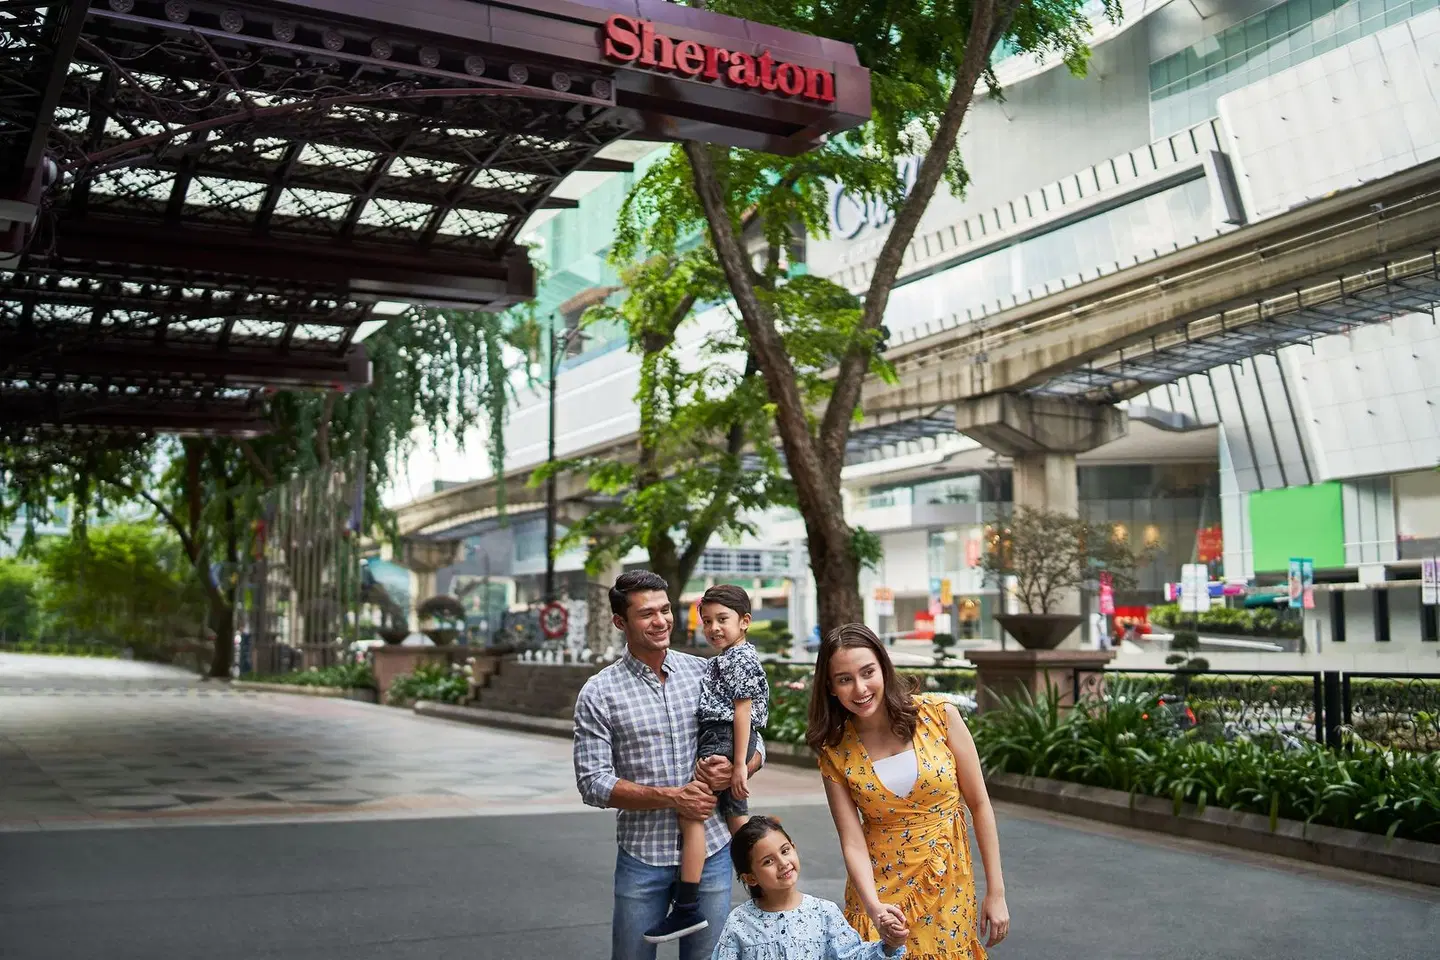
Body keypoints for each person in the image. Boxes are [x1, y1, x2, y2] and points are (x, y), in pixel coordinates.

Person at [573, 570, 766, 960]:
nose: (660, 621)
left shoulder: (705, 671)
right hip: (643, 856)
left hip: (711, 852)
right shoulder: (599, 692)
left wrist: (735, 767)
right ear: (620, 622)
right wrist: (672, 798)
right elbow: (592, 783)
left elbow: (757, 743)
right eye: (647, 614)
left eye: (665, 610)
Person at [807, 624, 1009, 957]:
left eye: (867, 672)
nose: (860, 688)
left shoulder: (940, 717)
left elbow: (980, 804)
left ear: (883, 668)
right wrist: (874, 909)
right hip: (879, 894)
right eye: (844, 679)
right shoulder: (835, 752)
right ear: (830, 687)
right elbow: (852, 840)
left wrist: (996, 892)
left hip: (947, 881)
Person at [646, 584, 770, 944]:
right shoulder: (729, 657)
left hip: (724, 737)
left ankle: (686, 905)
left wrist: (738, 766)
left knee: (692, 812)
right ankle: (767, 887)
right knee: (736, 819)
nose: (714, 628)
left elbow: (742, 712)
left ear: (745, 621)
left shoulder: (738, 659)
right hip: (727, 738)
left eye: (723, 620)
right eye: (707, 621)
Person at [711, 815, 908, 960]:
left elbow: (853, 956)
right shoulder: (739, 922)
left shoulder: (824, 912)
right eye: (768, 861)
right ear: (750, 878)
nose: (783, 863)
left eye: (785, 851)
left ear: (794, 848)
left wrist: (890, 946)